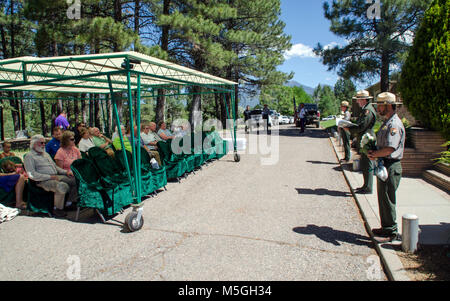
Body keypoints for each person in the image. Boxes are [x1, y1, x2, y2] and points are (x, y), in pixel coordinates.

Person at [367, 92, 405, 243]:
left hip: (391, 166)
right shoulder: (387, 122)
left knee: (388, 199)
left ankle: (391, 232)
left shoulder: (393, 124)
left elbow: (390, 148)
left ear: (389, 105)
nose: (378, 108)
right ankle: (385, 227)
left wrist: (376, 154)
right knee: (383, 198)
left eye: (380, 105)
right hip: (385, 165)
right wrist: (374, 151)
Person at [23, 135, 77, 217]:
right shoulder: (29, 156)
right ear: (34, 144)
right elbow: (32, 174)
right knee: (62, 186)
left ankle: (68, 203)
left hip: (55, 176)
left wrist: (66, 172)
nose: (44, 145)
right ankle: (57, 209)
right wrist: (49, 177)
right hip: (42, 181)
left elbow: (55, 167)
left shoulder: (46, 154)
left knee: (75, 180)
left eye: (44, 143)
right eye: (41, 143)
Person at [344, 90, 377, 194]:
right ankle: (365, 185)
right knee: (364, 163)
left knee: (368, 164)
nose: (357, 102)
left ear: (363, 99)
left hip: (367, 140)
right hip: (364, 140)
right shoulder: (365, 109)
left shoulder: (368, 111)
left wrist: (350, 129)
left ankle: (368, 187)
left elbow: (362, 126)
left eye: (358, 99)